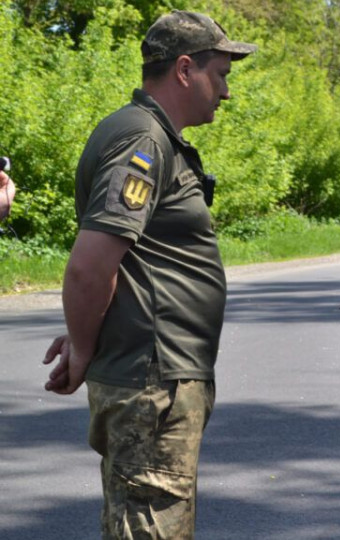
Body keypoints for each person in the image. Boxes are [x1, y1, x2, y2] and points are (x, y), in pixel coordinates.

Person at [41, 11, 256, 539]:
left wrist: (87, 330)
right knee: (150, 525)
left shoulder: (149, 135)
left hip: (156, 375)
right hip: (152, 381)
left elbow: (127, 267)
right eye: (221, 75)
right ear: (185, 69)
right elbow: (92, 264)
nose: (225, 93)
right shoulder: (143, 141)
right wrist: (86, 347)